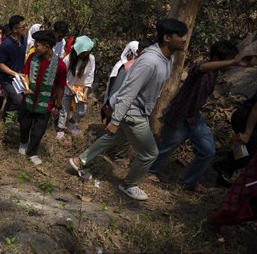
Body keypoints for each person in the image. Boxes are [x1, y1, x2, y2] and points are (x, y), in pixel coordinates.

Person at [69, 18, 188, 201]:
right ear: (166, 37)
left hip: (138, 110)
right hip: (132, 111)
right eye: (180, 35)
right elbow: (128, 92)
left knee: (112, 139)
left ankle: (79, 161)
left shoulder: (167, 59)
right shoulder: (149, 61)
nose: (184, 39)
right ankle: (129, 184)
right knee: (150, 153)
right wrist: (115, 120)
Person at [148, 41, 250, 190]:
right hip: (179, 116)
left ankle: (188, 183)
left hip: (194, 119)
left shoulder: (215, 74)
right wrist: (235, 61)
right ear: (216, 57)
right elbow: (202, 68)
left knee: (208, 151)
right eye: (228, 59)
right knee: (166, 147)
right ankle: (149, 171)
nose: (230, 64)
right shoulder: (201, 67)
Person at [19, 30, 67, 166]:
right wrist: (26, 86)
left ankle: (32, 152)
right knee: (24, 124)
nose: (35, 47)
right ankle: (23, 143)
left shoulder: (61, 66)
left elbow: (61, 87)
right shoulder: (32, 57)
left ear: (47, 47)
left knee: (39, 130)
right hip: (28, 99)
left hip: (46, 103)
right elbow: (26, 73)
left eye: (37, 45)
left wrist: (58, 106)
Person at [212, 90, 257, 187]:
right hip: (246, 117)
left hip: (249, 121)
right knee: (252, 153)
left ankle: (223, 179)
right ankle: (223, 165)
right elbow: (255, 110)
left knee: (243, 148)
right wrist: (247, 133)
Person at [57, 36, 96, 134]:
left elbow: (90, 76)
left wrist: (85, 92)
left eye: (87, 52)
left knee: (81, 112)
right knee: (64, 110)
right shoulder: (68, 59)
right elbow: (62, 76)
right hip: (67, 88)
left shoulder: (91, 59)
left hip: (80, 91)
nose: (85, 54)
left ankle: (71, 123)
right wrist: (69, 87)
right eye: (83, 52)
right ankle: (61, 128)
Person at [0, 15, 28, 123]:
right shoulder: (6, 44)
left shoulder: (24, 40)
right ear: (14, 29)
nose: (25, 29)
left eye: (25, 26)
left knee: (12, 100)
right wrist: (15, 74)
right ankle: (9, 121)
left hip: (19, 78)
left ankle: (4, 121)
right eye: (22, 27)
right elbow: (0, 64)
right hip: (7, 79)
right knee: (19, 101)